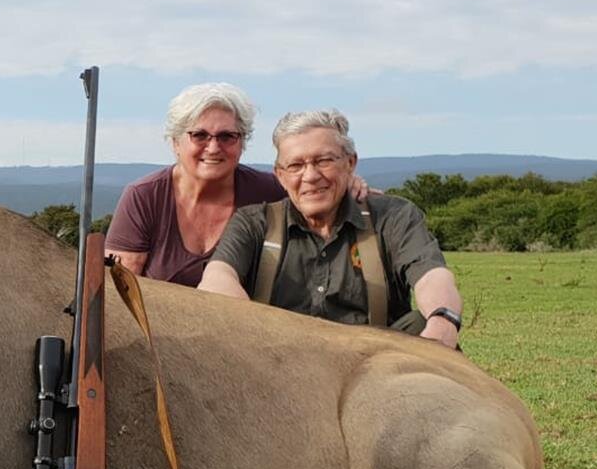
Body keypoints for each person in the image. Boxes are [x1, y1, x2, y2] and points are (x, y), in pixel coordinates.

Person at [198, 110, 464, 349]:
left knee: (421, 325)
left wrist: (443, 321)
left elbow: (431, 275)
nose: (311, 176)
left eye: (324, 161)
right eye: (296, 165)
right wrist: (254, 334)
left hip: (375, 364)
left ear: (350, 163)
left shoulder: (393, 216)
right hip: (278, 358)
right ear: (279, 175)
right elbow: (217, 278)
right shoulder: (254, 222)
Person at [106, 83, 283, 288]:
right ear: (175, 143)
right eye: (199, 135)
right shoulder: (144, 197)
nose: (214, 148)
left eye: (227, 136)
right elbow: (117, 290)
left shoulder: (271, 193)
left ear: (242, 142)